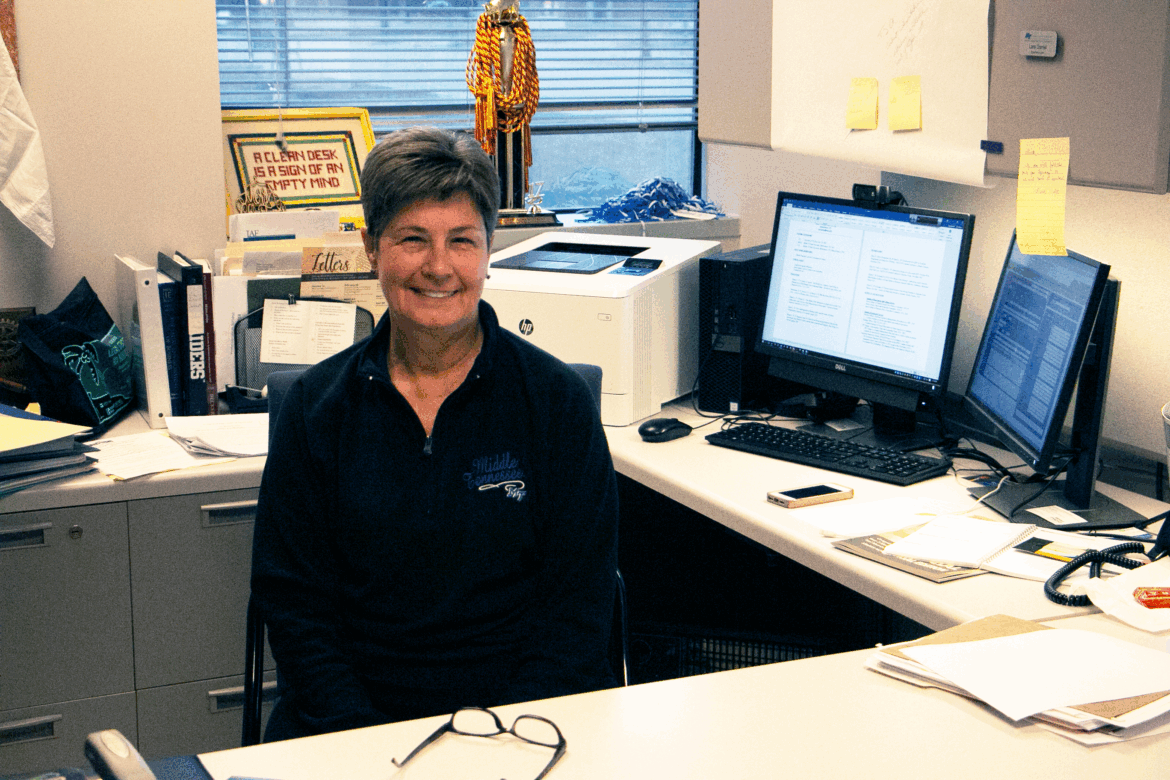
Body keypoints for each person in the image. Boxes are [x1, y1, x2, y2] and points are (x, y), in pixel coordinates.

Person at [251, 126, 619, 742]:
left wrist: (501, 739)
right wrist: (363, 741)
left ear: (489, 251)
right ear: (372, 248)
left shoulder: (556, 403)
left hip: (525, 727)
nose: (439, 267)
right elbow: (297, 611)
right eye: (413, 240)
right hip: (353, 727)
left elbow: (576, 615)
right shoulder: (316, 409)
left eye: (461, 241)